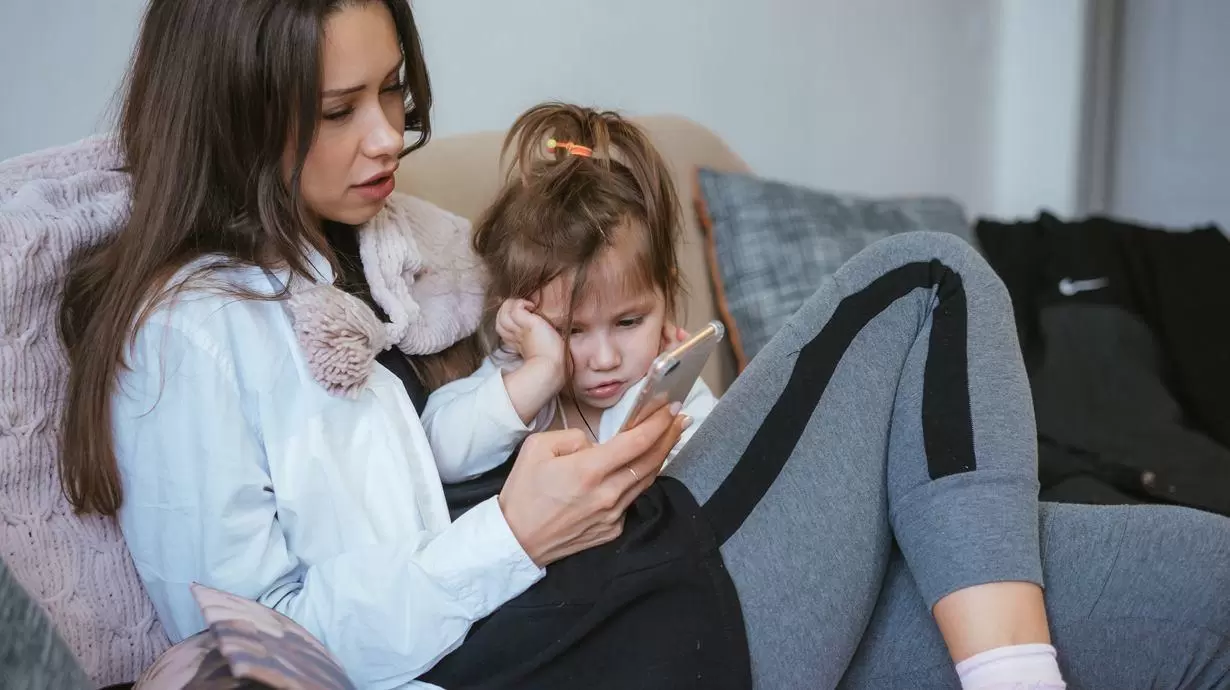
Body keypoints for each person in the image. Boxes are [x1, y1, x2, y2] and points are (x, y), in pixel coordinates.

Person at [55, 0, 1230, 688]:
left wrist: (521, 397)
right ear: (233, 112)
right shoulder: (187, 345)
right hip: (590, 629)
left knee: (1195, 581)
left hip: (609, 592)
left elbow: (415, 460)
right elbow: (272, 654)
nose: (392, 136)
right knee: (926, 277)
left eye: (395, 94)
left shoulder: (355, 265)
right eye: (338, 111)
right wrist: (515, 532)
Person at [420, 102, 716, 480]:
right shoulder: (518, 377)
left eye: (628, 322)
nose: (606, 359)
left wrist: (657, 400)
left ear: (667, 296)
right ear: (521, 317)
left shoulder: (677, 388)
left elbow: (716, 484)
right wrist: (543, 371)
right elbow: (434, 457)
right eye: (569, 331)